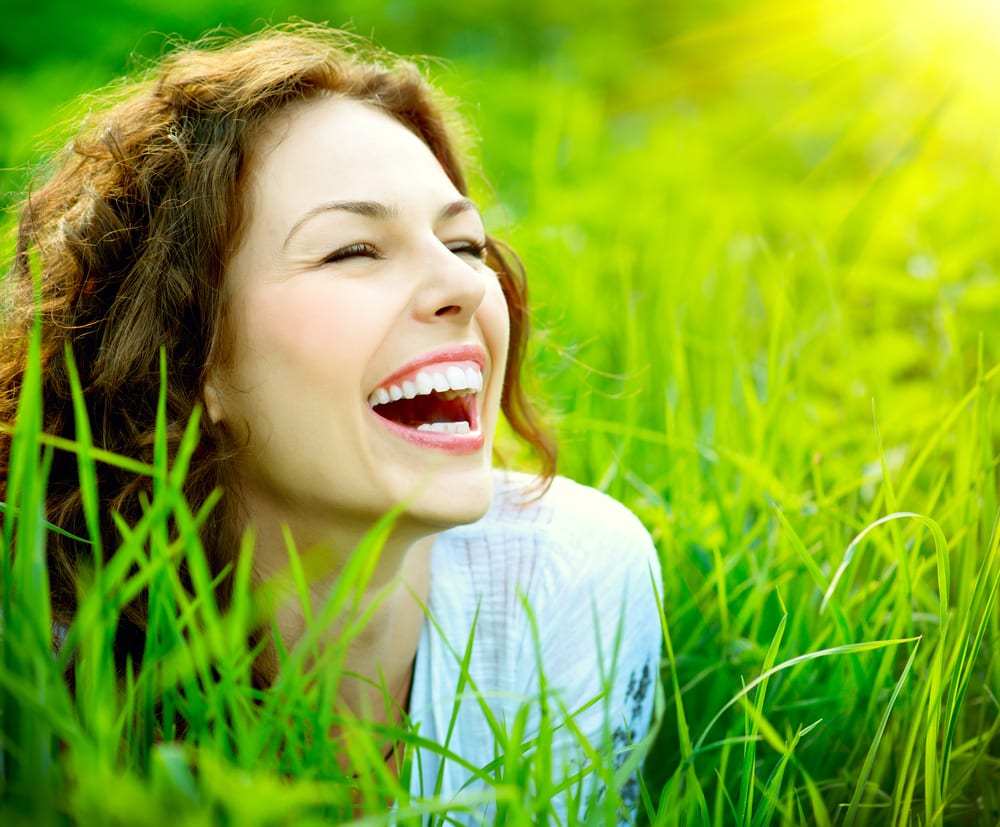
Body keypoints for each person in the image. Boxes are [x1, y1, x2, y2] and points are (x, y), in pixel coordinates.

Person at [0, 23, 662, 824]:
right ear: (187, 351)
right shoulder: (36, 657)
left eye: (465, 243)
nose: (459, 283)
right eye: (353, 250)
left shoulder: (570, 579)